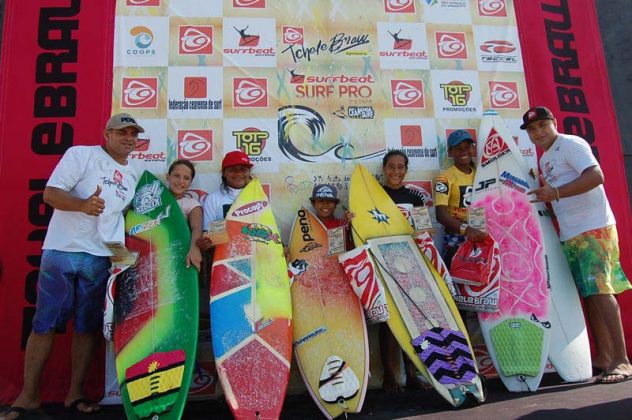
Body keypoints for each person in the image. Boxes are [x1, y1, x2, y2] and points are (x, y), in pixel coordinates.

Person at [3, 113, 142, 419]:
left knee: (87, 328)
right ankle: (28, 396)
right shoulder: (81, 154)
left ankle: (75, 394)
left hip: (100, 258)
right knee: (45, 323)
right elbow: (50, 194)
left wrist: (121, 257)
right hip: (62, 250)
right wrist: (81, 205)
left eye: (133, 133)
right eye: (123, 132)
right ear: (106, 133)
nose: (129, 138)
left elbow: (117, 219)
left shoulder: (133, 175)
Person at [524, 106, 632, 384]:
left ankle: (622, 361)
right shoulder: (546, 159)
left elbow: (597, 176)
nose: (538, 133)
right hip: (571, 234)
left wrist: (556, 192)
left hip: (594, 229)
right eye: (532, 130)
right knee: (589, 294)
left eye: (542, 126)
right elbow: (556, 195)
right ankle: (605, 358)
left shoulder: (571, 143)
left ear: (554, 124)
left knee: (600, 290)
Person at [379, 150, 429, 392]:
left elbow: (422, 228)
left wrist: (423, 234)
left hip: (411, 263)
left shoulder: (414, 197)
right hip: (384, 262)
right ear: (384, 168)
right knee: (389, 320)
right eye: (391, 166)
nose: (396, 172)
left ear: (406, 170)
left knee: (414, 319)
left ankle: (412, 374)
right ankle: (390, 376)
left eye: (400, 167)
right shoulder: (374, 194)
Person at [434, 130, 487, 268]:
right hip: (456, 239)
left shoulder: (482, 175)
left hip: (481, 236)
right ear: (450, 152)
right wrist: (466, 229)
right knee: (458, 283)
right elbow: (441, 214)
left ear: (473, 149)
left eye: (467, 147)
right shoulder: (444, 177)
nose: (464, 151)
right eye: (458, 148)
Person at [197, 150, 253, 252]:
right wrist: (205, 242)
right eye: (232, 169)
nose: (239, 173)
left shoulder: (257, 197)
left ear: (249, 172)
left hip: (254, 256)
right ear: (224, 173)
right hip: (224, 257)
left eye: (243, 169)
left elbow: (267, 228)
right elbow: (208, 235)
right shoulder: (213, 199)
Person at [167, 159, 203, 271]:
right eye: (176, 176)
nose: (181, 181)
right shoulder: (153, 201)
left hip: (180, 257)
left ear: (191, 182)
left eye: (186, 178)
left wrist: (194, 250)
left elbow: (196, 228)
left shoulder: (192, 204)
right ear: (168, 176)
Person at [309, 184, 353, 251]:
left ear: (335, 205)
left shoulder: (343, 224)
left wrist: (349, 224)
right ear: (313, 204)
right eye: (321, 201)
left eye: (330, 201)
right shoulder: (307, 227)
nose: (325, 204)